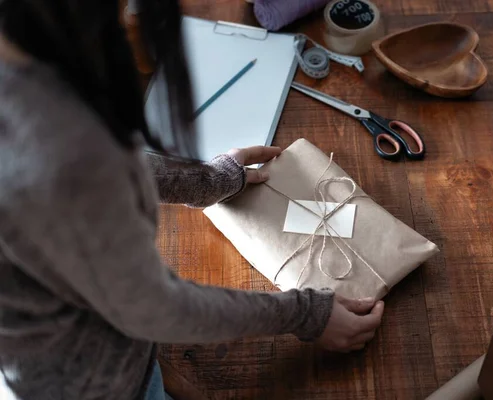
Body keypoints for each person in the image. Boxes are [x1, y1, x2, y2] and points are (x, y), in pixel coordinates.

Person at [0, 1, 385, 399]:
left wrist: (207, 181)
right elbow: (155, 309)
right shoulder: (71, 152)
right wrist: (305, 314)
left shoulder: (31, 82)